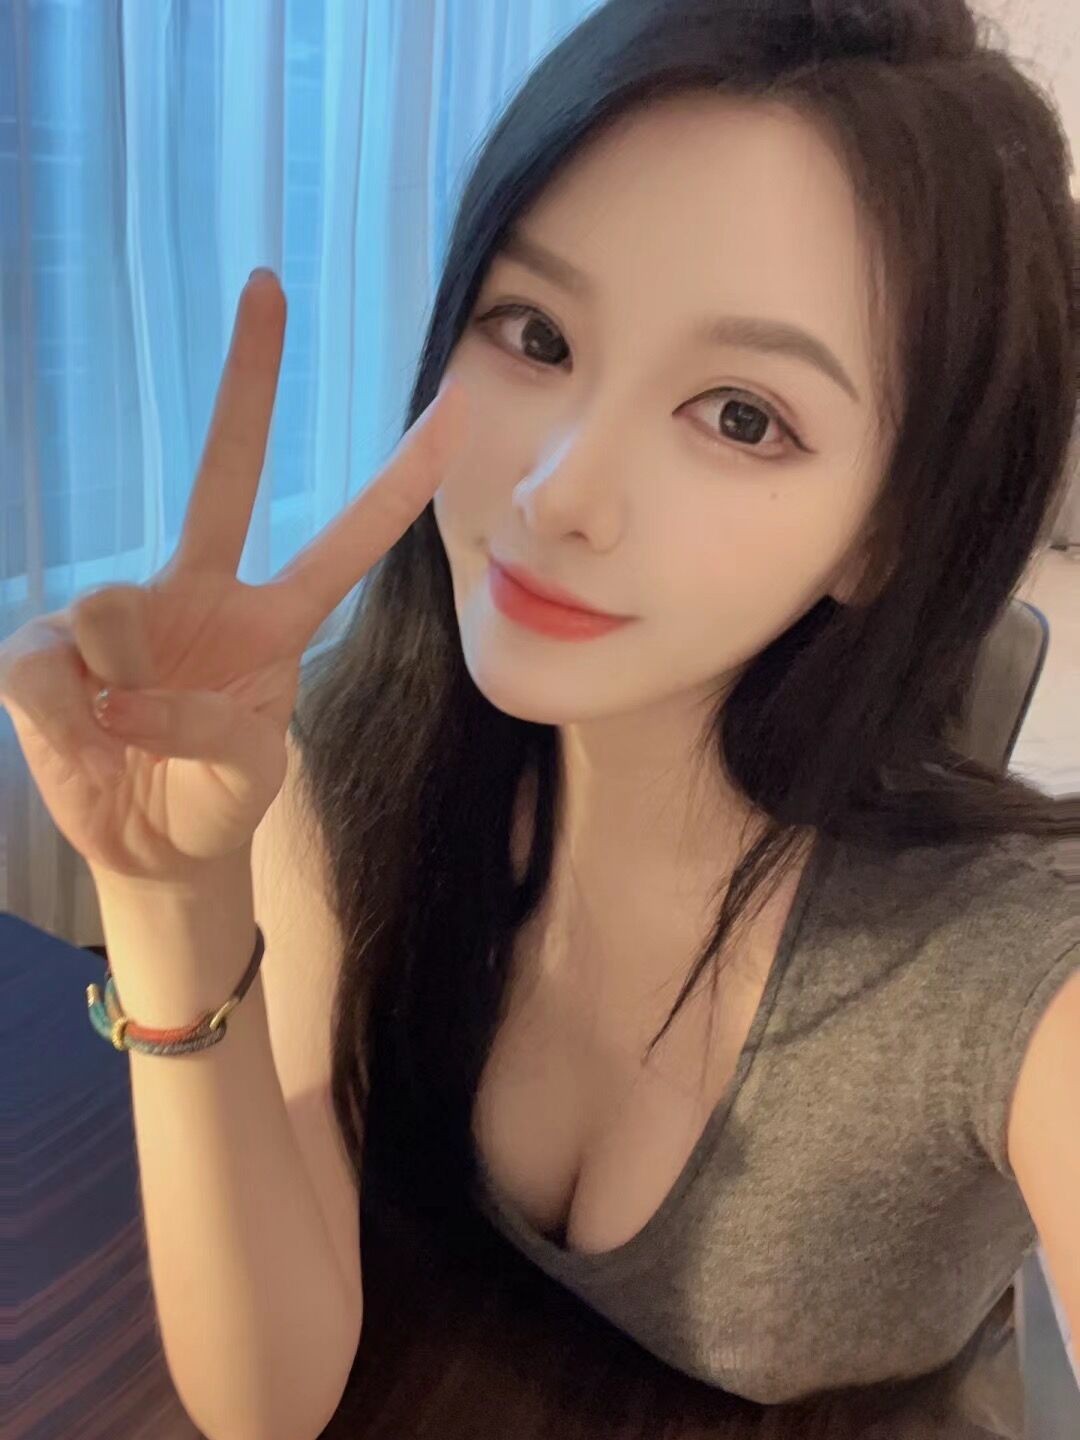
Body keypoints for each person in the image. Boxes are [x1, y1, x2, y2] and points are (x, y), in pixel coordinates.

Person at [1, 2, 1077, 1439]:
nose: (559, 491)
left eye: (741, 416)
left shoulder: (1009, 966)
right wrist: (169, 891)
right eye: (539, 333)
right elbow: (270, 1398)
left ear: (884, 531)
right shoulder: (359, 761)